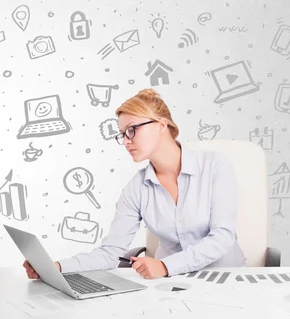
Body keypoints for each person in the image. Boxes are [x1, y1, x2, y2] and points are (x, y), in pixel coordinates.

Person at [24, 88, 247, 280]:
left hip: (225, 279)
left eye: (132, 129)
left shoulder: (214, 165)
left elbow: (222, 237)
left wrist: (165, 266)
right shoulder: (137, 188)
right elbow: (111, 253)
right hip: (171, 286)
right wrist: (57, 268)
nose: (126, 141)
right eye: (122, 134)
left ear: (161, 124)